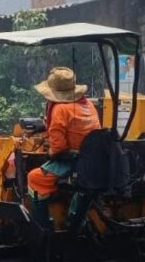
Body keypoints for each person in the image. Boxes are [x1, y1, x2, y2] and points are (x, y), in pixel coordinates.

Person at [25, 67, 102, 230]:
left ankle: (42, 227)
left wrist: (48, 152)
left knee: (34, 178)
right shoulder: (88, 105)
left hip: (74, 163)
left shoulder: (60, 109)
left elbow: (58, 148)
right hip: (93, 163)